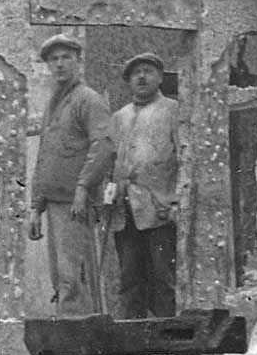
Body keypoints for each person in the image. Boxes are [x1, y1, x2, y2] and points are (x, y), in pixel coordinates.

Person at [94, 52, 187, 320]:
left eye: (148, 71)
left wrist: (178, 201)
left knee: (163, 277)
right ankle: (130, 339)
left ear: (159, 77)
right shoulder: (119, 118)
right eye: (136, 73)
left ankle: (168, 334)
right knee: (130, 277)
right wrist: (107, 194)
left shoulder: (173, 110)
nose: (142, 77)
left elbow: (185, 157)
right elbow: (109, 162)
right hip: (125, 212)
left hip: (159, 209)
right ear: (128, 81)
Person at [26, 32, 111, 315]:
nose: (60, 64)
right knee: (61, 275)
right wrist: (36, 207)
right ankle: (71, 333)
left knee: (74, 275)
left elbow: (103, 146)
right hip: (54, 202)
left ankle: (77, 338)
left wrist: (83, 189)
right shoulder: (54, 103)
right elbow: (45, 156)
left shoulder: (88, 100)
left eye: (66, 58)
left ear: (78, 61)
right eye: (53, 59)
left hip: (76, 204)